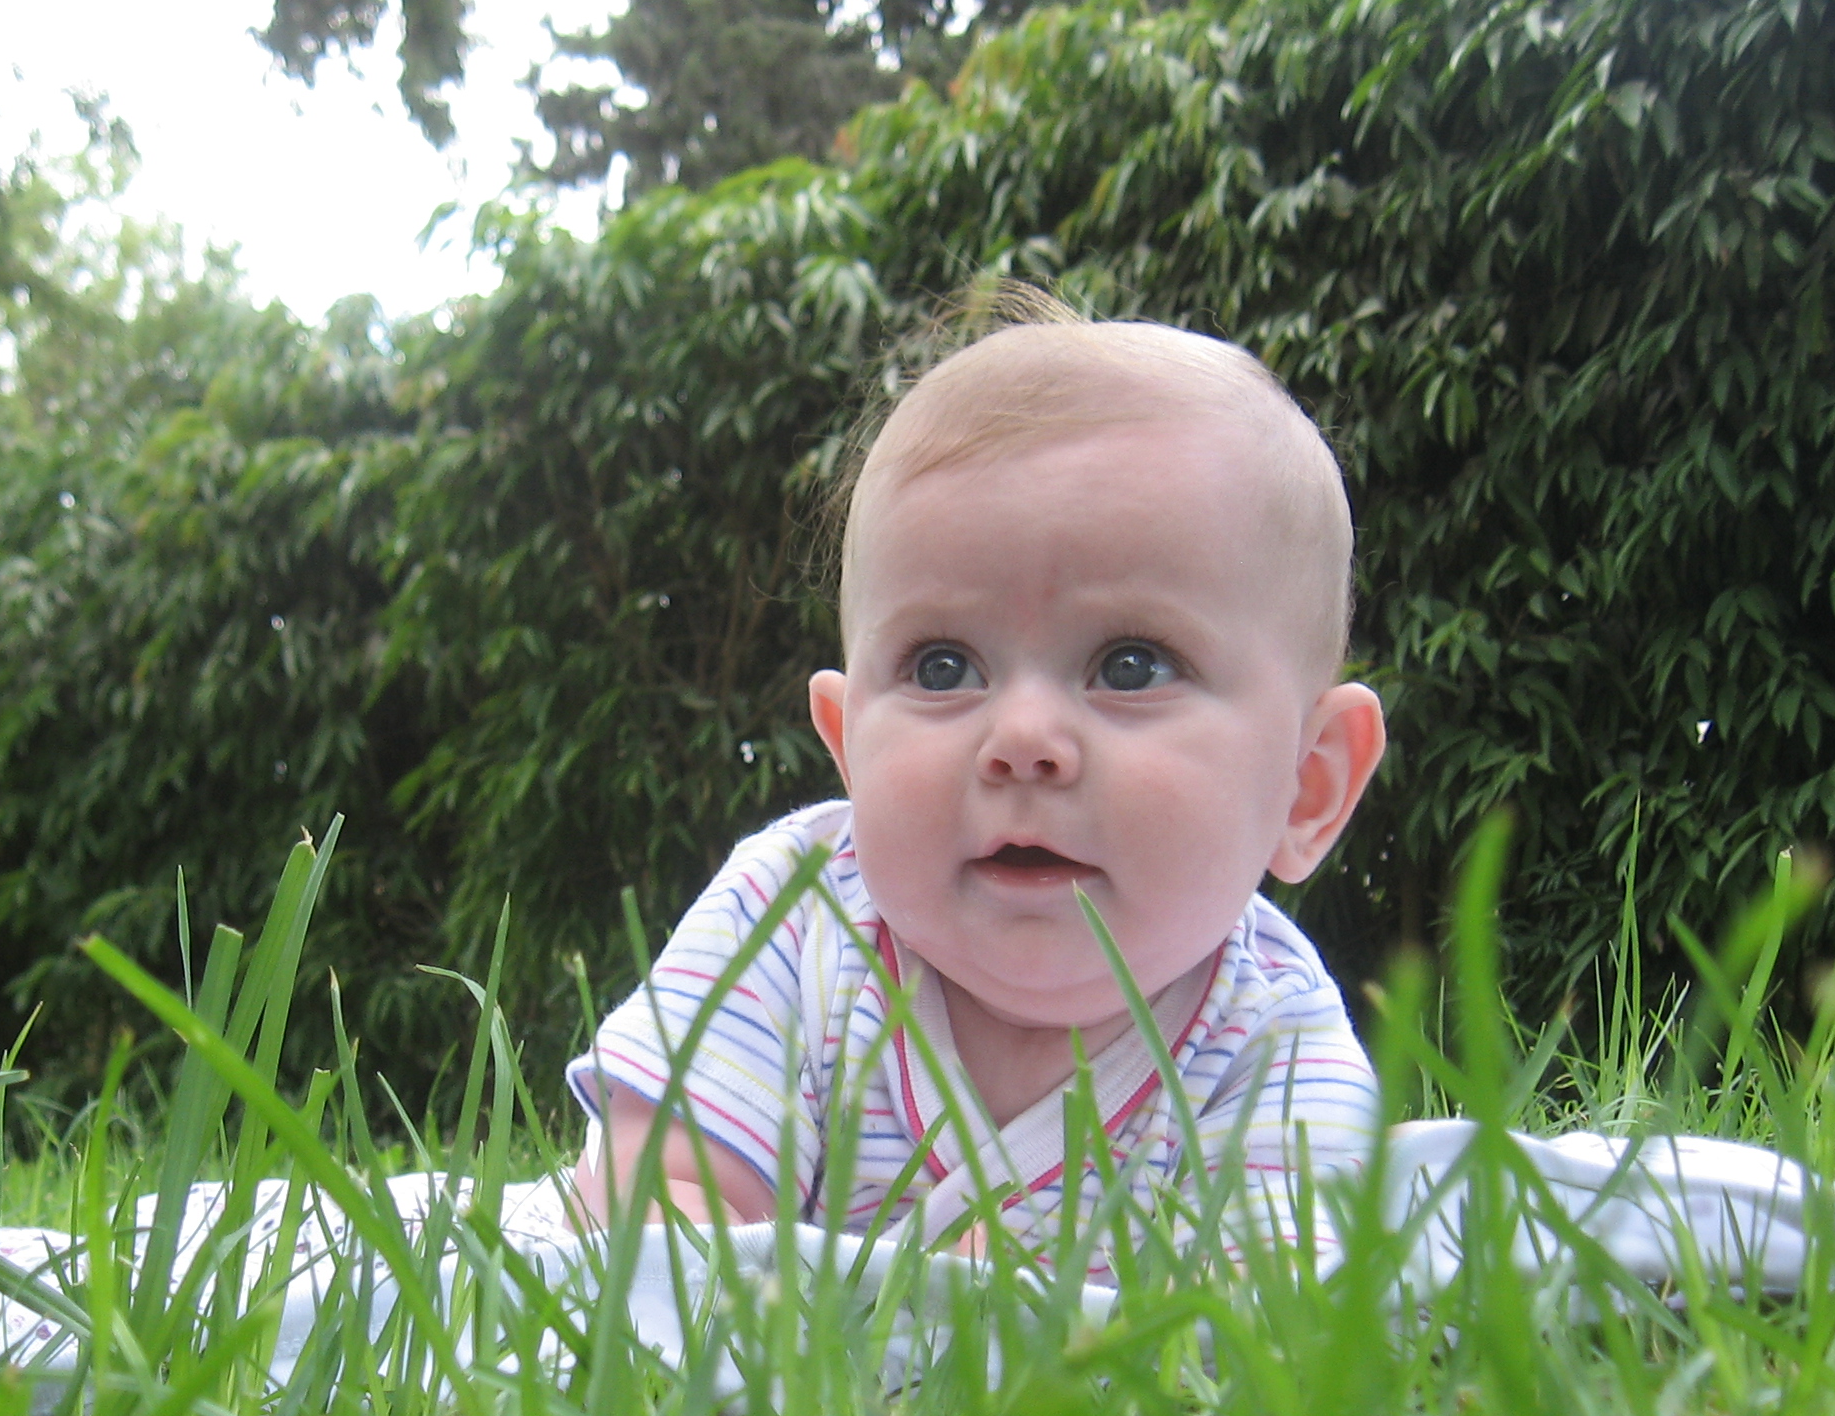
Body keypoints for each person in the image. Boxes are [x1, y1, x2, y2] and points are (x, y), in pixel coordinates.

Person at [567, 295, 1390, 1261]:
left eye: (1131, 667)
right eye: (942, 667)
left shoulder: (1270, 1037)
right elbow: (648, 1207)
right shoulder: (791, 917)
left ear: (1307, 785)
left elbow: (1284, 1306)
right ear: (849, 745)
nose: (1023, 738)